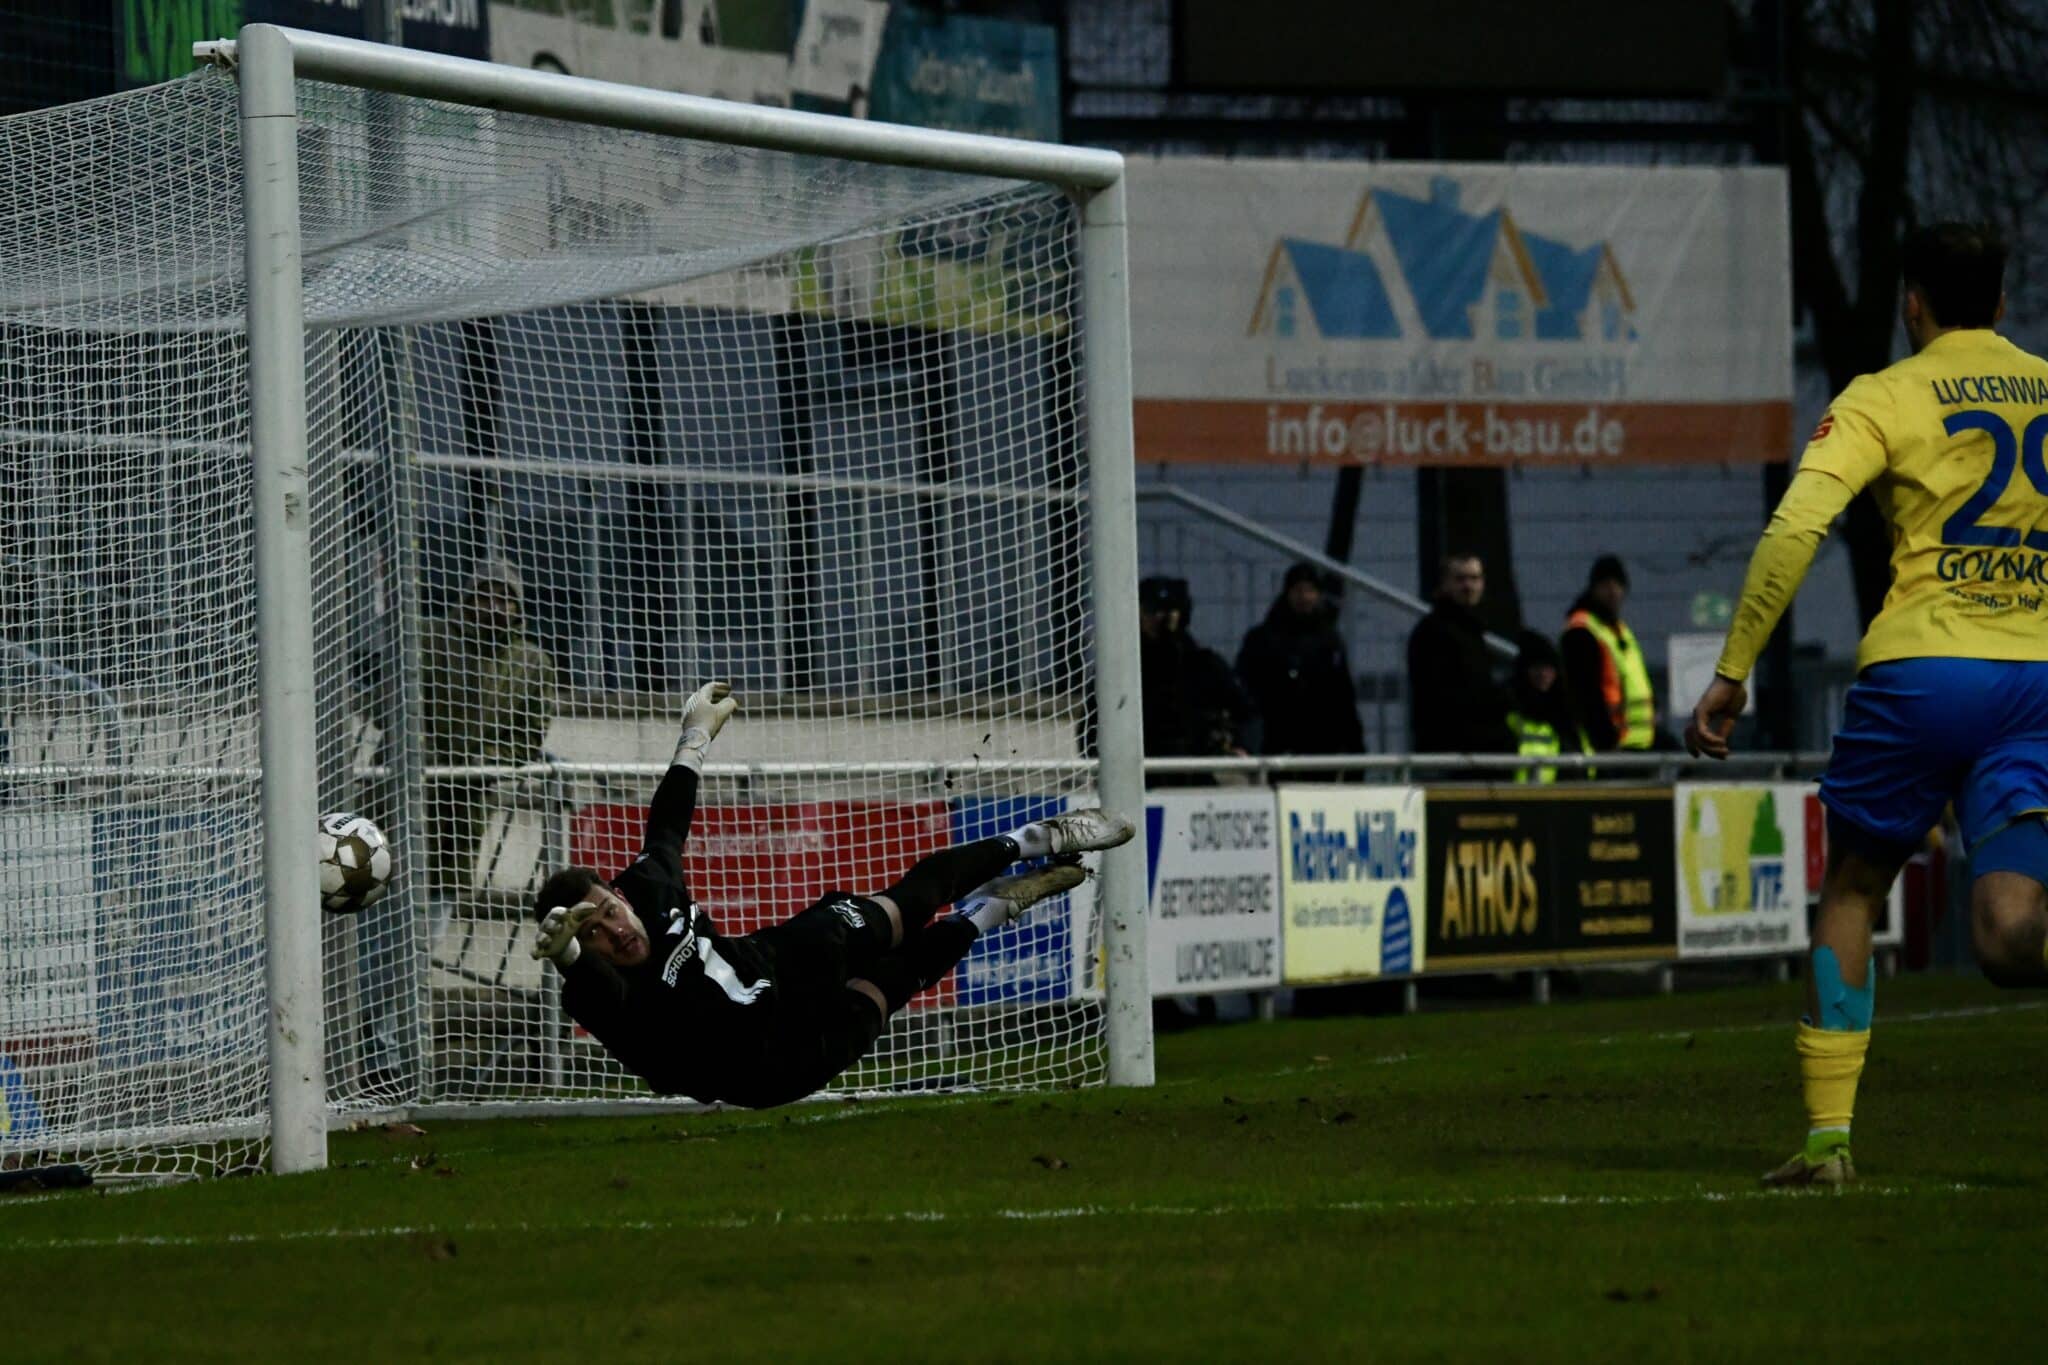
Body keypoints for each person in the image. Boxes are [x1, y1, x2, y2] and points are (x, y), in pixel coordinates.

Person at [1685, 222, 2048, 1186]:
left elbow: (1798, 523)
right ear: (2004, 305)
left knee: (1853, 884)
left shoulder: (1886, 394)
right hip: (2039, 676)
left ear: (1911, 301)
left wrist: (1734, 667)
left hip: (1927, 671)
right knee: (2014, 936)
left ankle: (1829, 1143)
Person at [530, 682, 1136, 1108]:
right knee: (889, 985)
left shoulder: (646, 887)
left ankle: (1038, 837)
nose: (615, 932)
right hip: (768, 1064)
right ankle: (994, 908)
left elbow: (666, 824)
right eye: (595, 937)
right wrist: (569, 960)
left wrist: (693, 737)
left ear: (617, 892)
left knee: (902, 907)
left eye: (607, 912)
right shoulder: (609, 995)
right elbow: (599, 998)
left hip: (775, 959)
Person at [419, 559, 561, 912]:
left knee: (441, 894)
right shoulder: (425, 638)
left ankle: (417, 969)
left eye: (505, 599)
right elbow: (382, 702)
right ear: (467, 599)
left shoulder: (532, 663)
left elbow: (528, 737)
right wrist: (420, 753)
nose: (495, 607)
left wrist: (485, 761)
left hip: (465, 801)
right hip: (403, 790)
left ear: (518, 607)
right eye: (485, 597)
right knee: (382, 888)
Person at [1236, 562, 1366, 758]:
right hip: (1277, 738)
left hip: (1322, 740)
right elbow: (1248, 687)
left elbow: (1343, 695)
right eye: (1298, 590)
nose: (1304, 597)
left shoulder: (1329, 639)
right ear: (1288, 594)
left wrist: (1354, 744)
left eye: (1310, 591)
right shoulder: (1264, 638)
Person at [1138, 576, 1257, 777]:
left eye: (1165, 612)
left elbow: (1246, 712)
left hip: (1196, 773)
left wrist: (1241, 745)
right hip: (1142, 775)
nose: (1157, 619)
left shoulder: (1202, 663)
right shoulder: (1126, 668)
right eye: (1150, 611)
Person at [1405, 552, 1513, 754]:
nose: (1468, 586)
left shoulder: (1471, 631)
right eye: (1460, 579)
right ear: (1445, 584)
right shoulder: (1432, 632)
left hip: (1472, 750)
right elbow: (1443, 697)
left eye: (1475, 578)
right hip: (1450, 752)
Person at [1561, 554, 1658, 752]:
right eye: (1606, 585)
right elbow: (1586, 695)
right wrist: (1606, 741)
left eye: (1618, 585)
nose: (1613, 592)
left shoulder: (1619, 630)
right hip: (1612, 747)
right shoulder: (1582, 631)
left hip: (1640, 742)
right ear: (1594, 588)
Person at [1504, 631, 1590, 783]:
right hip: (1514, 798)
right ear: (1524, 671)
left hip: (1558, 797)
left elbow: (1582, 761)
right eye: (1537, 667)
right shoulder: (1509, 712)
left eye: (1549, 668)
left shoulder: (1567, 714)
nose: (1544, 674)